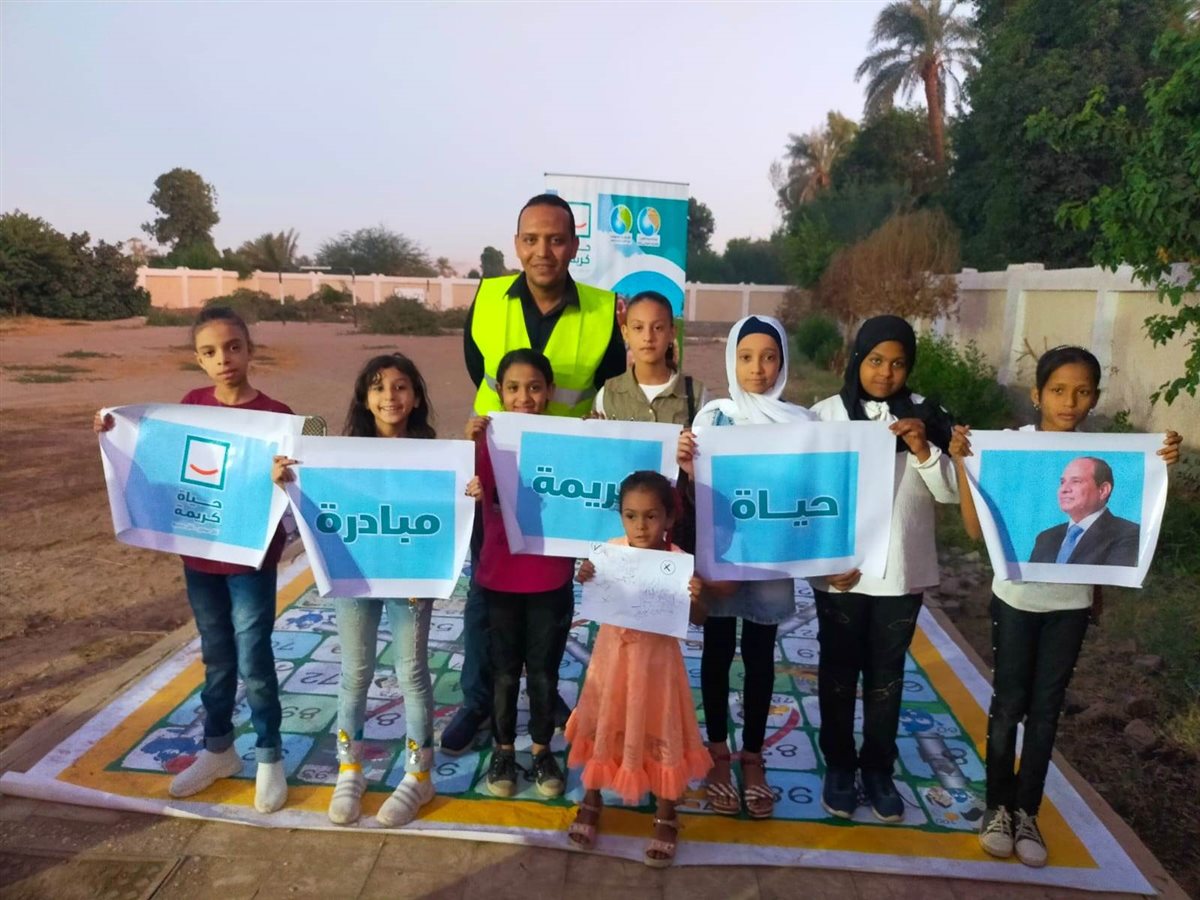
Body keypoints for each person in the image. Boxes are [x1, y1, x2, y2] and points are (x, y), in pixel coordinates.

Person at [951, 345, 1182, 868]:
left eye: (1082, 392)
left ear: (1095, 398)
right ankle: (997, 809)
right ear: (1037, 394)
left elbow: (1137, 522)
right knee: (1008, 705)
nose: (1069, 401)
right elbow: (974, 530)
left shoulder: (1110, 455)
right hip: (1015, 600)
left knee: (1046, 710)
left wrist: (1161, 464)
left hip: (1070, 607)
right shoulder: (1008, 448)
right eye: (1058, 390)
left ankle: (1027, 812)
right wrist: (965, 464)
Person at [446, 193, 627, 755]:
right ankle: (478, 700)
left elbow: (611, 386)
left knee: (552, 594)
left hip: (561, 483)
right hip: (495, 473)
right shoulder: (488, 297)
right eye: (531, 239)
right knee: (486, 590)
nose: (542, 251)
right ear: (516, 244)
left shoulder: (603, 311)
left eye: (555, 239)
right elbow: (480, 372)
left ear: (574, 246)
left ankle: (545, 698)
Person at [93, 306, 291, 813]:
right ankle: (219, 750)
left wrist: (285, 474)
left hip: (251, 561)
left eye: (233, 347)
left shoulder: (278, 415)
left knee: (254, 660)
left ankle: (269, 757)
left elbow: (298, 476)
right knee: (217, 657)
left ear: (249, 350)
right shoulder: (190, 406)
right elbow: (157, 455)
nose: (224, 359)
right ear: (198, 360)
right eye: (210, 352)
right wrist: (114, 429)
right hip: (200, 559)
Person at [271, 353, 438, 827]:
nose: (390, 396)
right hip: (354, 573)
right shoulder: (338, 456)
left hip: (410, 576)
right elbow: (308, 505)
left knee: (411, 672)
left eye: (401, 386)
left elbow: (449, 513)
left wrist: (468, 493)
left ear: (417, 397)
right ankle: (350, 770)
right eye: (379, 387)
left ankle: (419, 775)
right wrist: (287, 481)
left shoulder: (436, 456)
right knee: (355, 672)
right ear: (365, 398)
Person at [808, 315, 958, 824]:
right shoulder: (825, 416)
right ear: (857, 359)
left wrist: (923, 449)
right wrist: (823, 565)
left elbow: (950, 493)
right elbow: (806, 494)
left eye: (898, 363)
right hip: (842, 573)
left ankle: (877, 769)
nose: (885, 372)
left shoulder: (927, 417)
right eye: (875, 360)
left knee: (886, 676)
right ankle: (839, 765)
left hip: (899, 572)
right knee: (837, 670)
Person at [676, 314, 817, 820]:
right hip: (722, 559)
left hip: (771, 564)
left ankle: (753, 758)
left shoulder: (802, 425)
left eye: (769, 357)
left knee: (759, 658)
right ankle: (718, 755)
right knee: (716, 654)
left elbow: (813, 493)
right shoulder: (713, 419)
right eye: (746, 357)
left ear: (783, 363)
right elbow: (695, 496)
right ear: (731, 361)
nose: (758, 368)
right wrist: (687, 467)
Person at [566, 471, 711, 867]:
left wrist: (696, 597)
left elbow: (698, 618)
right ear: (621, 517)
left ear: (669, 518)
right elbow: (595, 592)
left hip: (657, 670)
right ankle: (592, 800)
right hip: (611, 664)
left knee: (660, 726)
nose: (641, 526)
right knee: (605, 723)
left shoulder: (676, 562)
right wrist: (586, 575)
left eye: (651, 516)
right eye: (631, 516)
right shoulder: (610, 553)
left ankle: (666, 813)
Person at [464, 349, 575, 798]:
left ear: (549, 391)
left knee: (544, 672)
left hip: (550, 576)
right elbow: (458, 492)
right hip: (499, 576)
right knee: (505, 672)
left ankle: (542, 749)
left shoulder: (568, 440)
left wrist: (599, 443)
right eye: (513, 388)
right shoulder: (484, 441)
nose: (524, 397)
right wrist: (469, 456)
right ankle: (504, 750)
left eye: (534, 387)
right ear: (499, 392)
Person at [593, 290, 710, 424]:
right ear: (625, 333)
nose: (648, 337)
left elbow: (710, 436)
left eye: (658, 328)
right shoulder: (607, 395)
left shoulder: (697, 395)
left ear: (672, 333)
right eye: (638, 328)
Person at [1028, 456, 1140, 566]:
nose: (1064, 489)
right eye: (1062, 482)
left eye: (1076, 481)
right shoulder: (1046, 538)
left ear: (1103, 490)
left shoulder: (1129, 534)